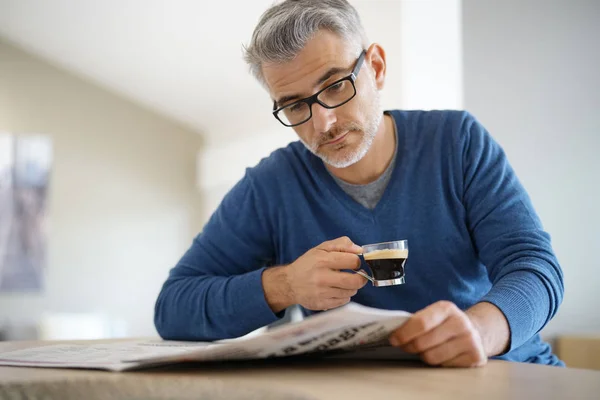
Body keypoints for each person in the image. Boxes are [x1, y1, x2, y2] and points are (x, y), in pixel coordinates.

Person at [154, 0, 564, 368]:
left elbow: (535, 267)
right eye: (296, 105)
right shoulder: (270, 186)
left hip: (502, 372)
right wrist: (286, 285)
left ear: (377, 68)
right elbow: (173, 307)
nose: (323, 123)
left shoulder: (457, 142)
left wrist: (479, 331)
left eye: (335, 86)